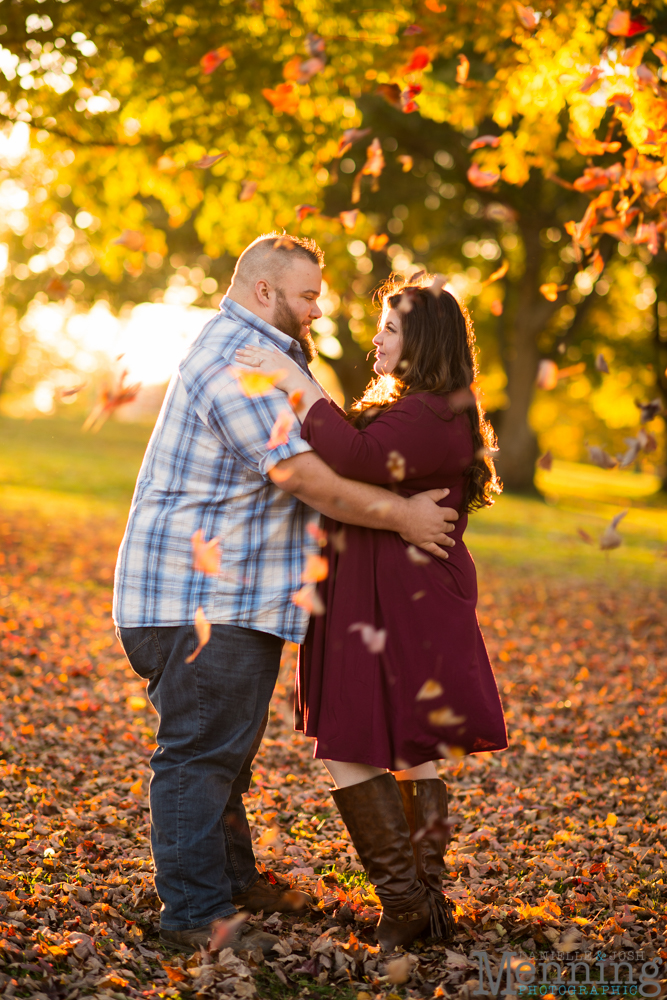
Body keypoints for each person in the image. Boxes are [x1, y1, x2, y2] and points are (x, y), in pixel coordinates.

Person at [113, 236, 460, 954]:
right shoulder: (231, 363)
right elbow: (305, 477)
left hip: (228, 598)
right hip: (195, 600)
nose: (318, 309)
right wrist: (404, 515)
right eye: (308, 296)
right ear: (265, 292)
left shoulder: (267, 354)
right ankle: (194, 918)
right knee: (199, 758)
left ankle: (230, 883)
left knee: (223, 755)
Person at [234, 273, 508, 951]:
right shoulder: (417, 405)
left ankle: (407, 901)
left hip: (400, 602)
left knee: (354, 741)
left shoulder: (434, 413)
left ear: (422, 340)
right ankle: (425, 902)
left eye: (389, 328)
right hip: (383, 593)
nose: (376, 338)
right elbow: (352, 447)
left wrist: (288, 376)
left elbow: (352, 454)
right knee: (410, 750)